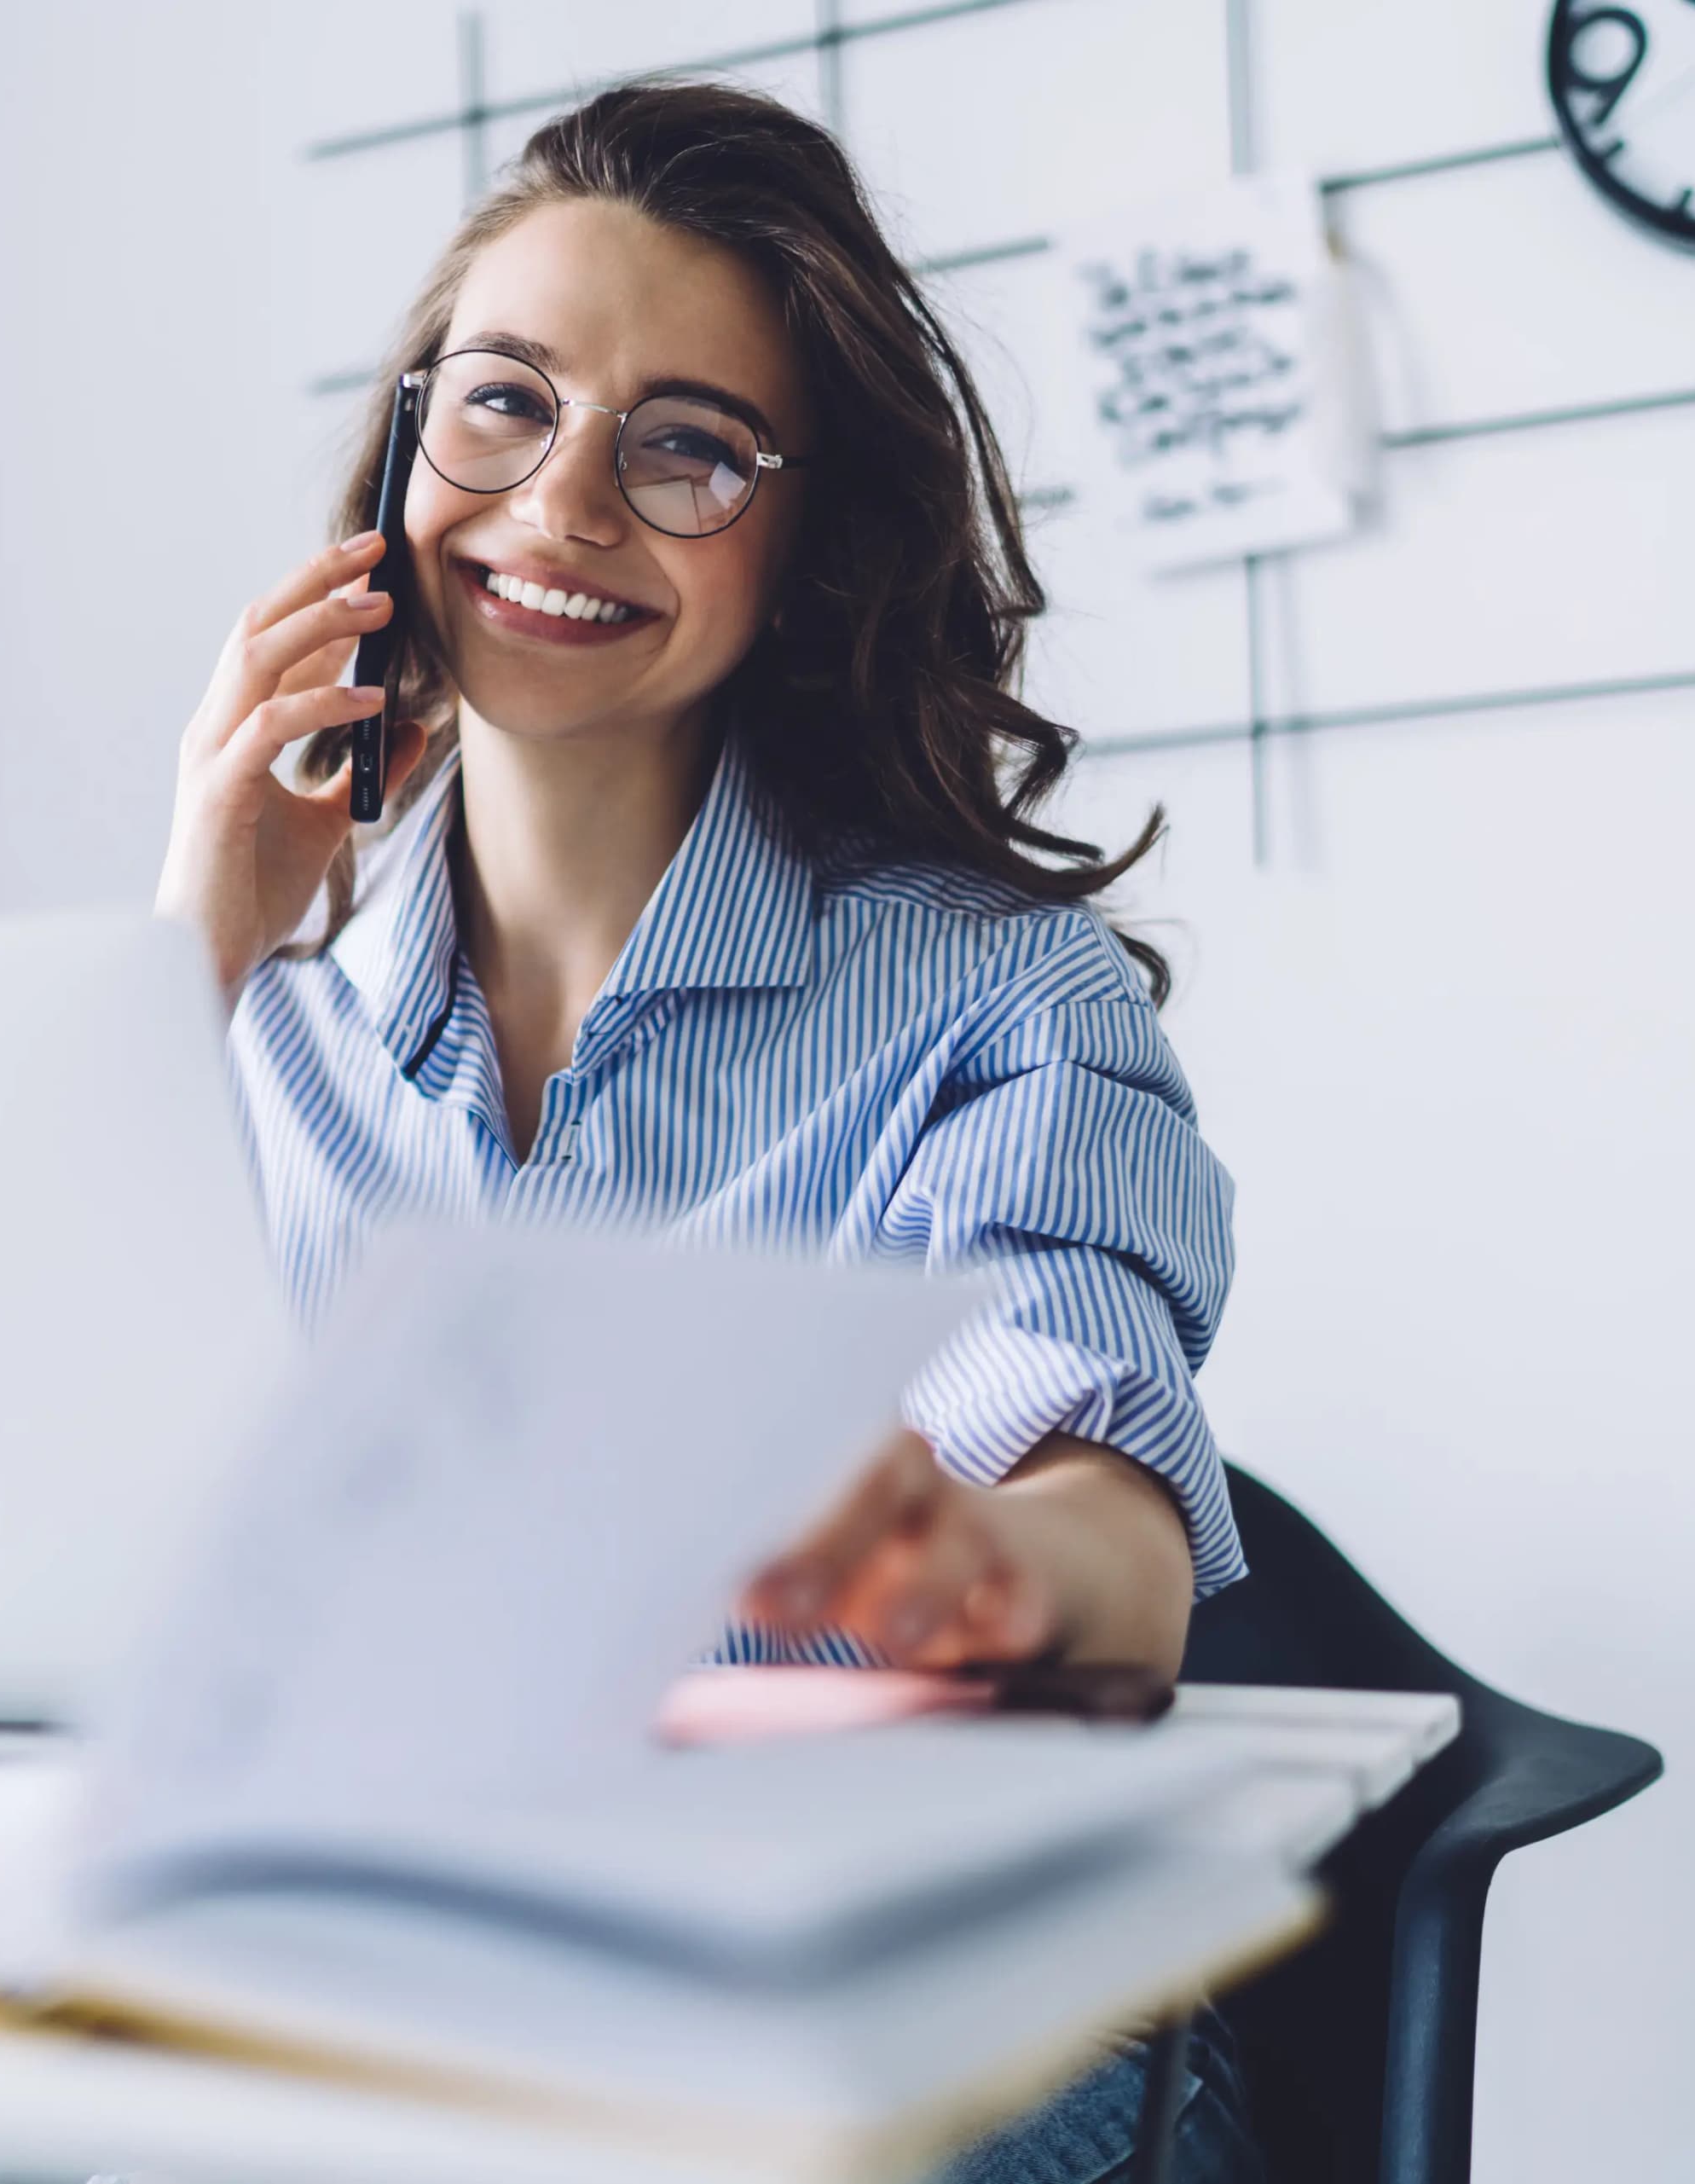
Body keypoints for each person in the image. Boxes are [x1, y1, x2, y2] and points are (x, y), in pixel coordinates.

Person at [152, 78, 1260, 2183]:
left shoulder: (1005, 1001)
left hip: (906, 2027)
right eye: (501, 405)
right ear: (403, 450)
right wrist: (189, 946)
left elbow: (1112, 1540)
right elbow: (11, 1526)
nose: (560, 506)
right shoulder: (242, 1029)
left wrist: (976, 1565)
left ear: (803, 535)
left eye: (683, 448)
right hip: (385, 1991)